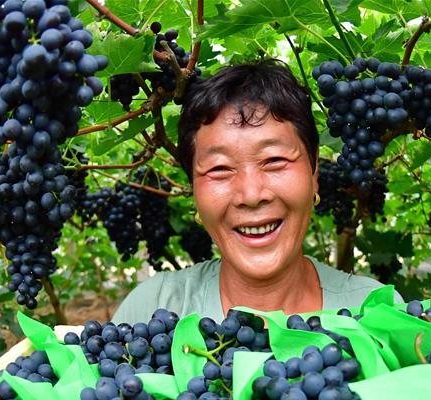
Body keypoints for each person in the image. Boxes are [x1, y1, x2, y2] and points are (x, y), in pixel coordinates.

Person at [112, 59, 402, 324]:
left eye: (275, 160)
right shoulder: (149, 310)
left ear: (314, 173)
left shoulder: (377, 312)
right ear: (193, 189)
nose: (251, 195)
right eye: (219, 169)